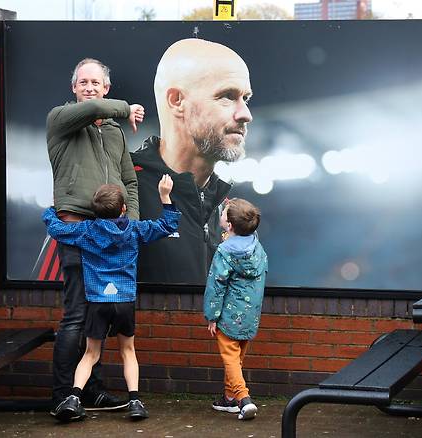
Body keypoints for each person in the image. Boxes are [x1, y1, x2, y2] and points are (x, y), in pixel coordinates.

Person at [44, 57, 146, 420]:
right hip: (77, 230)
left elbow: (129, 183)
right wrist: (125, 108)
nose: (89, 88)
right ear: (74, 88)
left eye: (96, 83)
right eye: (83, 82)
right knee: (75, 316)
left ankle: (91, 391)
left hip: (113, 237)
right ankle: (61, 396)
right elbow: (96, 109)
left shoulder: (114, 132)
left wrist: (128, 226)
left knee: (97, 320)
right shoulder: (60, 119)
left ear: (105, 87)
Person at [42, 176, 181, 421]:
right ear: (124, 209)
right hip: (125, 301)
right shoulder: (135, 229)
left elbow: (56, 229)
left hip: (97, 301)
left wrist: (52, 209)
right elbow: (167, 225)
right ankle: (135, 401)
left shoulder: (86, 230)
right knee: (128, 351)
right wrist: (165, 197)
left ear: (94, 212)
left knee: (90, 354)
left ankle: (73, 398)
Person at [132, 38, 253, 285]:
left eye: (246, 98)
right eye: (227, 96)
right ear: (176, 101)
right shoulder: (120, 187)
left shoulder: (224, 206)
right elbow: (60, 297)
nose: (245, 114)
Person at [203, 198, 267, 421]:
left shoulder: (224, 251)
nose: (221, 214)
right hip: (251, 314)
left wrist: (212, 316)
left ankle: (243, 399)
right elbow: (247, 226)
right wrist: (234, 206)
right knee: (238, 357)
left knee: (230, 358)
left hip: (229, 315)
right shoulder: (255, 246)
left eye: (224, 214)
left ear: (229, 225)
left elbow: (216, 285)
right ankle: (230, 398)